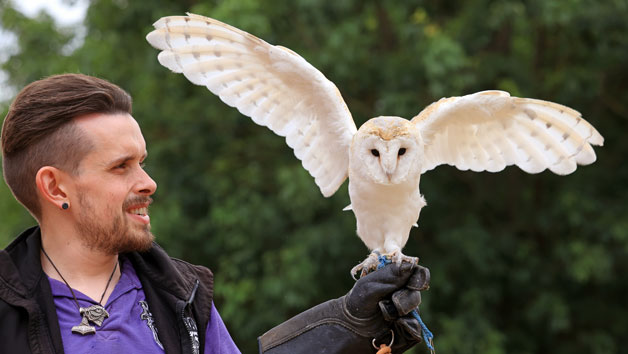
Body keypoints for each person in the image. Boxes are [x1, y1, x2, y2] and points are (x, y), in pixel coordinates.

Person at [0, 73, 430, 354]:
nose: (148, 183)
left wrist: (345, 330)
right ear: (55, 187)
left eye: (142, 162)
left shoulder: (180, 295)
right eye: (120, 167)